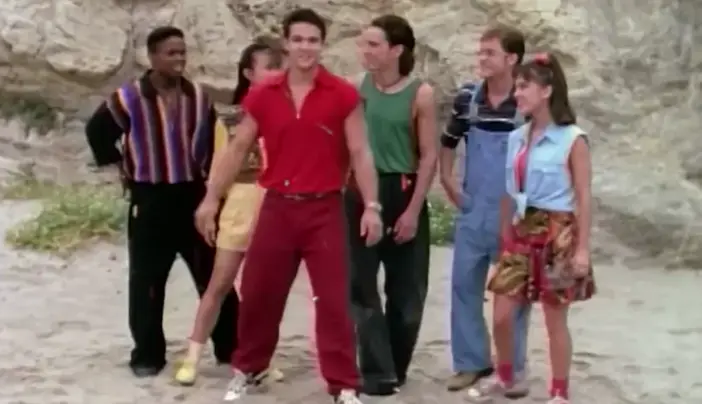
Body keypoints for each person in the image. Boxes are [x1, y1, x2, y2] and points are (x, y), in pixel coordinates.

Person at [194, 8, 382, 404]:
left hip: (324, 208)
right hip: (277, 206)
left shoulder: (342, 94)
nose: (305, 47)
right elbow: (238, 148)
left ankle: (343, 385)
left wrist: (372, 206)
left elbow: (361, 151)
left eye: (313, 40)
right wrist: (211, 198)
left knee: (332, 300)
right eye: (298, 40)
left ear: (323, 45)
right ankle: (250, 368)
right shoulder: (265, 94)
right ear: (286, 44)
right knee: (259, 292)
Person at [84, 26, 239, 377]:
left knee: (214, 275)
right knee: (148, 282)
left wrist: (213, 189)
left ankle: (230, 346)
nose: (179, 59)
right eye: (171, 53)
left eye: (182, 52)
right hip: (150, 199)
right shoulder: (129, 98)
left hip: (193, 196)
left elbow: (214, 143)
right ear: (152, 57)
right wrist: (120, 167)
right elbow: (97, 131)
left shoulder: (198, 96)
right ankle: (148, 355)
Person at [467, 51, 596, 404]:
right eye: (517, 86)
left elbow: (584, 196)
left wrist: (582, 249)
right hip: (522, 228)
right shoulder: (518, 137)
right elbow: (509, 191)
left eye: (524, 86)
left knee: (554, 320)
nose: (517, 93)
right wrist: (504, 237)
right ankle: (506, 376)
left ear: (547, 91)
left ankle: (559, 392)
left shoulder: (573, 139)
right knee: (501, 314)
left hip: (558, 230)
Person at [174, 39, 284, 386]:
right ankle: (193, 355)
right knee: (219, 284)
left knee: (263, 291)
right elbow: (220, 165)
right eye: (269, 67)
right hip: (240, 204)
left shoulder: (287, 112)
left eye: (279, 67)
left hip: (276, 206)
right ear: (249, 73)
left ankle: (261, 358)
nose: (276, 74)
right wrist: (211, 204)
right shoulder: (231, 117)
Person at [348, 14, 437, 396]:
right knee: (360, 287)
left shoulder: (421, 94)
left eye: (373, 44)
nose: (364, 51)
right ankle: (376, 373)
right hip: (361, 192)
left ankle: (395, 367)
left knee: (408, 293)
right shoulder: (357, 88)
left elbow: (429, 155)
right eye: (363, 43)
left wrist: (413, 211)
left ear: (397, 50)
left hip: (402, 190)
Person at [439, 26, 531, 393]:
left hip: (515, 214)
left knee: (513, 294)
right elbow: (448, 142)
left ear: (512, 58)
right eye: (481, 52)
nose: (482, 58)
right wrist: (447, 180)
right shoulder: (467, 98)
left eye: (490, 52)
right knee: (464, 285)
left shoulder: (527, 101)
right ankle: (470, 363)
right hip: (473, 209)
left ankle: (512, 369)